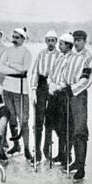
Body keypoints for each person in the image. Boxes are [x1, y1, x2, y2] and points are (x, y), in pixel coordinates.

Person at [62, 30, 92, 182]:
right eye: (75, 40)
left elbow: (86, 80)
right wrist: (63, 86)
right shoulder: (72, 56)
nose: (76, 43)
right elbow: (65, 73)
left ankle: (81, 167)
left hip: (79, 96)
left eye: (79, 40)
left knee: (80, 130)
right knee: (70, 128)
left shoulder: (88, 58)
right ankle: (76, 160)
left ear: (85, 41)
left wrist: (72, 89)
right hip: (67, 94)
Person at [0, 27, 32, 159]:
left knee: (23, 120)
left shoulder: (26, 52)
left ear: (23, 39)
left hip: (21, 90)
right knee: (11, 118)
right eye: (13, 37)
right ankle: (16, 145)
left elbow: (24, 69)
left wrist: (10, 65)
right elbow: (0, 68)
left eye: (17, 37)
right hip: (7, 88)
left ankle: (27, 148)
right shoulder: (8, 51)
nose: (14, 40)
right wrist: (14, 69)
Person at [30, 30, 59, 162]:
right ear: (46, 41)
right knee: (38, 119)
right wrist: (33, 88)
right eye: (48, 40)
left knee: (50, 119)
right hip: (41, 85)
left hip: (53, 86)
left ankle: (47, 147)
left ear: (56, 42)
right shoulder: (41, 53)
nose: (51, 43)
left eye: (53, 40)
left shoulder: (59, 55)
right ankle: (37, 151)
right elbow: (35, 71)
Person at [46, 33, 75, 167]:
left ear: (68, 46)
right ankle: (61, 154)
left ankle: (67, 155)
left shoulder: (72, 59)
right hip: (54, 95)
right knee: (55, 125)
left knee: (65, 126)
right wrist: (50, 85)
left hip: (64, 96)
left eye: (62, 44)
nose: (59, 46)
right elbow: (52, 73)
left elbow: (68, 78)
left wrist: (59, 87)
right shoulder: (60, 57)